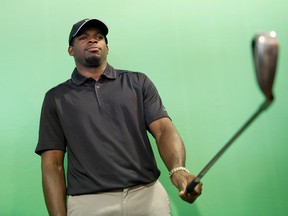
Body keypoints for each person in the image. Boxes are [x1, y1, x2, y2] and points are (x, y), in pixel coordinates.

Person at [35, 18, 202, 216]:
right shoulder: (56, 98)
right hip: (88, 203)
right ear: (70, 50)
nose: (93, 41)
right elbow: (52, 164)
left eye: (99, 37)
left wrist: (178, 170)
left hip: (147, 196)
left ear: (107, 47)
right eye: (84, 38)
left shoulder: (138, 82)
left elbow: (163, 129)